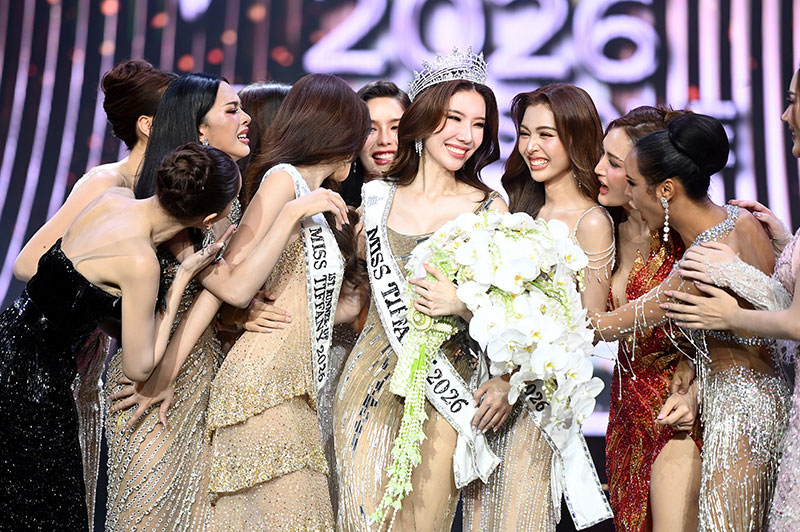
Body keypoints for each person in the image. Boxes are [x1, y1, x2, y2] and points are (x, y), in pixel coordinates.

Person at [104, 73, 349, 532]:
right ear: (200, 128)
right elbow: (224, 289)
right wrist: (164, 373)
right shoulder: (167, 195)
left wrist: (237, 314)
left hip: (203, 371)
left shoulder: (227, 198)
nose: (247, 120)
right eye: (233, 110)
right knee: (146, 514)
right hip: (152, 372)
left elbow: (221, 296)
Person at [0, 143, 237, 531]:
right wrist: (181, 278)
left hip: (7, 339)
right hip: (34, 383)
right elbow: (139, 367)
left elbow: (71, 291)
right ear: (208, 218)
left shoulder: (112, 199)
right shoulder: (141, 263)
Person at [334, 49, 508, 532]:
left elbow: (510, 316)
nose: (466, 135)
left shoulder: (490, 209)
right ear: (425, 118)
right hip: (367, 382)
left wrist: (462, 304)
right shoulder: (375, 197)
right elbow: (353, 297)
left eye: (478, 124)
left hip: (445, 387)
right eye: (454, 119)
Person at [592, 112, 790, 532]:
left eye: (633, 184)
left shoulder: (700, 262)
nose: (630, 196)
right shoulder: (744, 219)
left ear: (665, 190)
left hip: (737, 414)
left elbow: (604, 327)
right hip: (770, 399)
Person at [9, 59, 177, 527]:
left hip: (84, 360)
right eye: (177, 115)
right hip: (40, 357)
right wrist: (102, 311)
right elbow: (28, 263)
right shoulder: (107, 183)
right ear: (147, 126)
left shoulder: (161, 193)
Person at [463, 83, 615, 532]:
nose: (531, 147)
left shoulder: (592, 221)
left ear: (576, 138)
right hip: (485, 396)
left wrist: (513, 380)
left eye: (546, 135)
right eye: (525, 134)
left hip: (537, 405)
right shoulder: (517, 211)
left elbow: (588, 327)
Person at [659, 65, 800, 532]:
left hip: (750, 402)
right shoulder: (744, 224)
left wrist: (730, 313)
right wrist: (786, 246)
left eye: (793, 101)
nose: (784, 115)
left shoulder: (715, 242)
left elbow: (795, 322)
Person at [594, 106, 701, 532]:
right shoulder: (602, 228)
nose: (599, 169)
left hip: (676, 410)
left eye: (614, 162)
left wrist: (695, 383)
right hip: (624, 411)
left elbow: (731, 332)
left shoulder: (687, 239)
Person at [339, 80, 410, 206]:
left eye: (395, 127)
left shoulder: (436, 204)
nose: (384, 140)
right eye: (370, 129)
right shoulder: (333, 204)